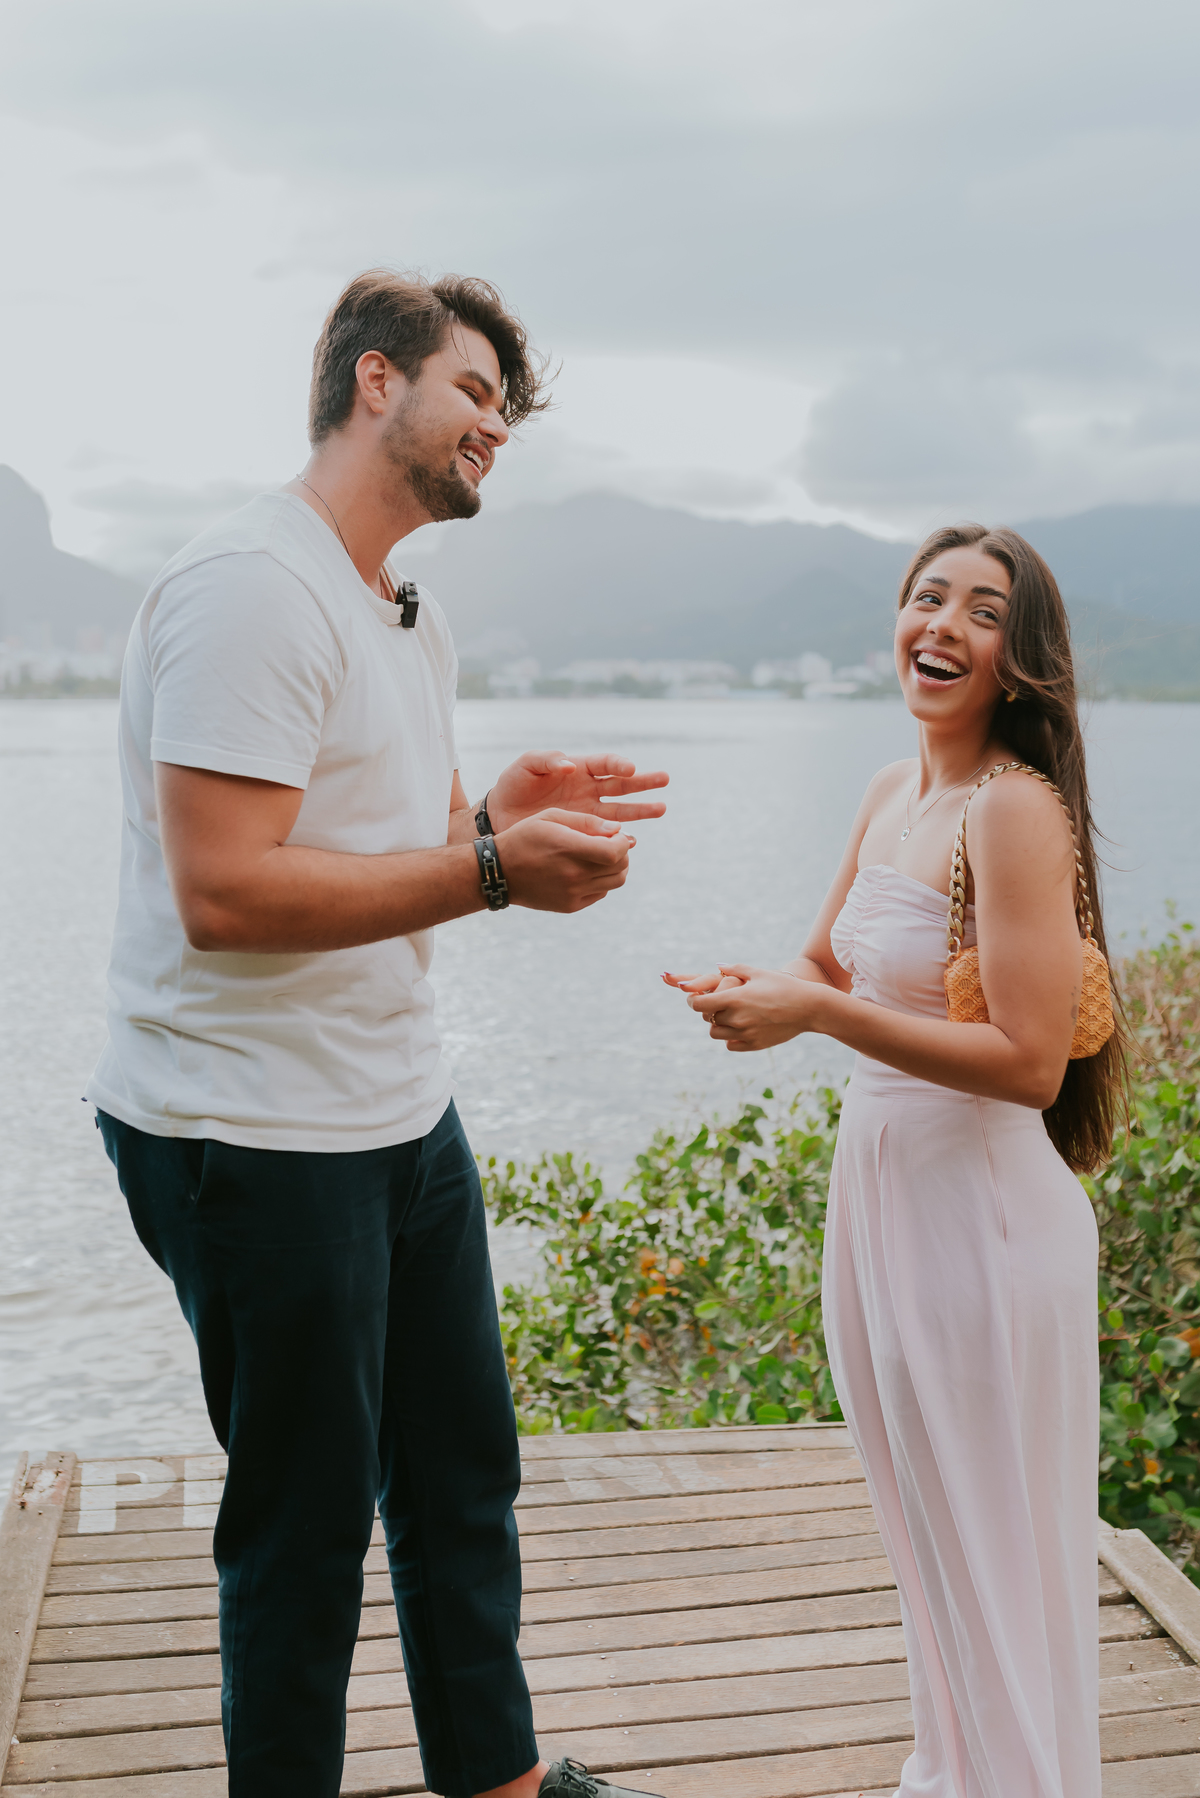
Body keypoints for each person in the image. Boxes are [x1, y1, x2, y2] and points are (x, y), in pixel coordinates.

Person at [87, 270, 668, 1798]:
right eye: (474, 391)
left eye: (504, 409)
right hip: (249, 1133)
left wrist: (495, 817)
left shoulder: (405, 611)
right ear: (371, 381)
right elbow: (224, 890)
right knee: (303, 1527)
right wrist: (490, 871)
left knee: (463, 1477)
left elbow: (352, 850)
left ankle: (501, 1782)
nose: (495, 427)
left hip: (395, 1115)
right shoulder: (249, 586)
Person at [666, 523, 1125, 1798]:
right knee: (930, 1535)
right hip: (880, 1205)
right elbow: (826, 966)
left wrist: (815, 1016)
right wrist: (753, 989)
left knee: (996, 1547)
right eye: (928, 598)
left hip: (983, 1219)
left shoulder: (1014, 811)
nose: (944, 625)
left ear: (1021, 660)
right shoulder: (890, 791)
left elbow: (1032, 1062)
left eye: (983, 611)